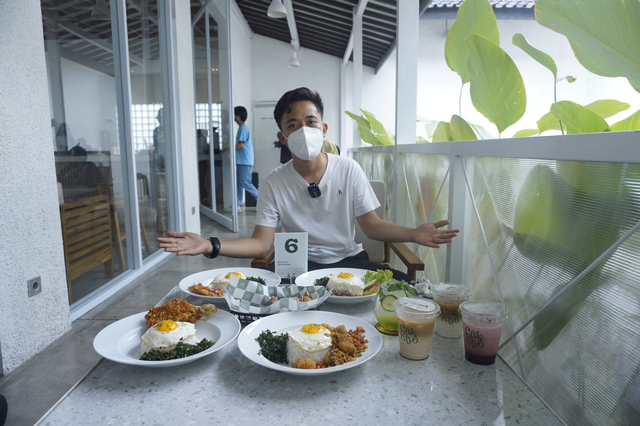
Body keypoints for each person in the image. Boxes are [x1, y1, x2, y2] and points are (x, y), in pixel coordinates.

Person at [157, 87, 459, 281]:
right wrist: (211, 245)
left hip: (349, 262)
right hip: (296, 265)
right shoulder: (275, 183)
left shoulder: (348, 168)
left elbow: (371, 226)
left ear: (323, 128)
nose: (304, 130)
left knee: (403, 289)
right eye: (293, 125)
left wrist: (413, 233)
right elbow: (261, 243)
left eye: (311, 122)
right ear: (282, 138)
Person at [222, 106, 259, 212]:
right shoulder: (241, 128)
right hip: (241, 160)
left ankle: (263, 200)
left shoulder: (243, 128)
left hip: (244, 160)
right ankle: (237, 204)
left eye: (233, 114)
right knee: (239, 183)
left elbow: (241, 145)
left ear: (237, 116)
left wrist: (226, 150)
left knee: (245, 182)